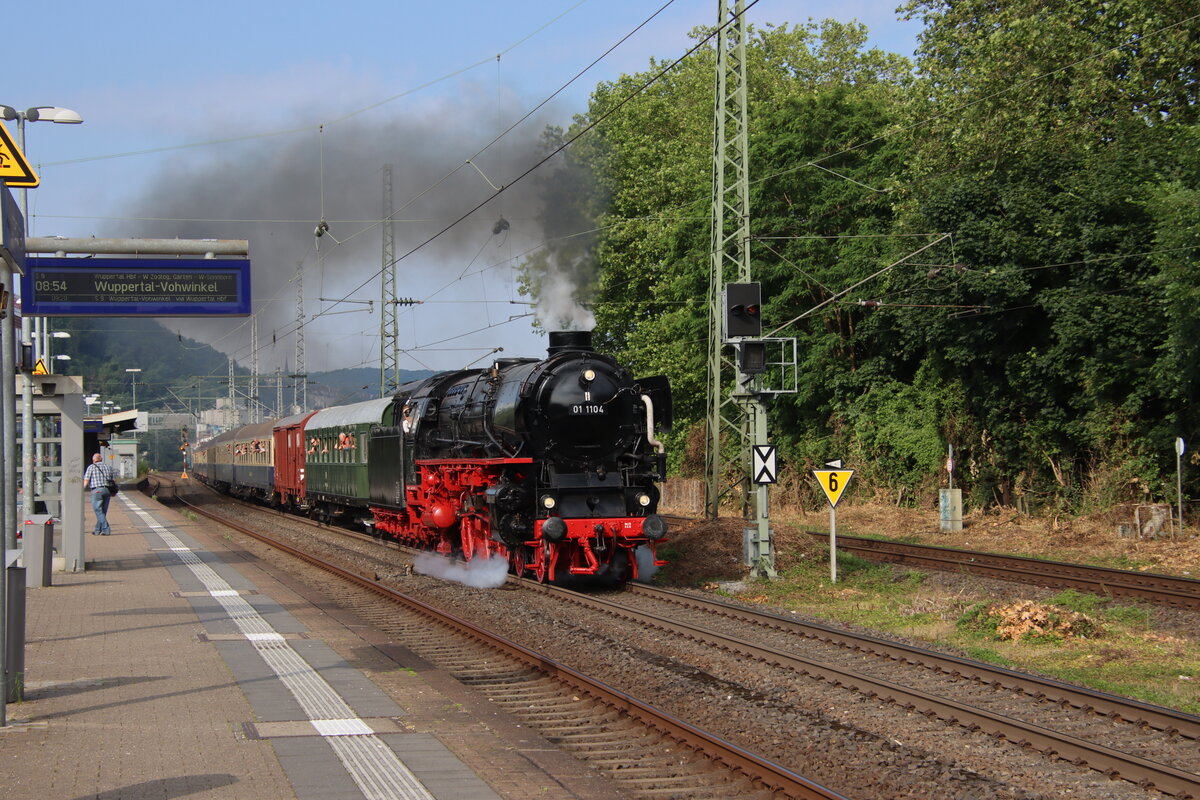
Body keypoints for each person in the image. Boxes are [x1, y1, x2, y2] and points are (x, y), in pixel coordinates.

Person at [82, 452, 116, 535]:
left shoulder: (91, 467)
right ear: (101, 459)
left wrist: (81, 491)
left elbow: (86, 480)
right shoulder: (108, 467)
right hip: (107, 490)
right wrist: (113, 492)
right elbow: (113, 481)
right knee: (102, 512)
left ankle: (106, 530)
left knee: (98, 511)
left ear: (93, 460)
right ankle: (97, 530)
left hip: (96, 491)